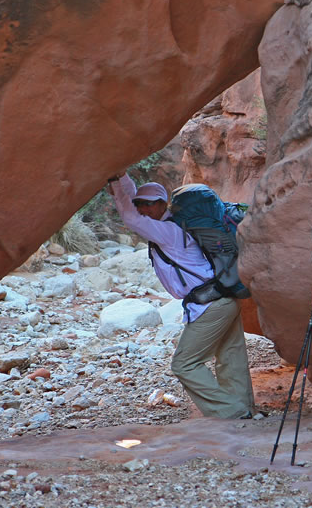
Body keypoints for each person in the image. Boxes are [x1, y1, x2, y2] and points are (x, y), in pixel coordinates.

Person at [107, 172, 256, 419]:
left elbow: (131, 219)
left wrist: (118, 179)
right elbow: (135, 212)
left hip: (211, 305)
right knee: (231, 355)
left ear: (164, 204)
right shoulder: (171, 228)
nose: (144, 207)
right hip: (222, 297)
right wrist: (123, 186)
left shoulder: (169, 231)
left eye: (151, 202)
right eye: (140, 203)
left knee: (184, 364)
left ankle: (231, 413)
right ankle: (245, 412)